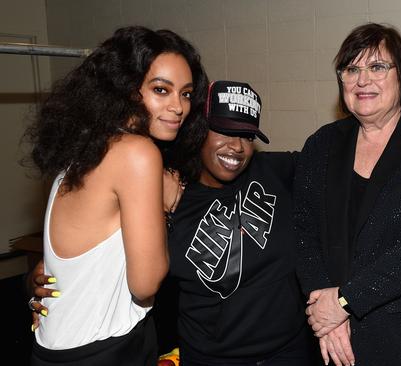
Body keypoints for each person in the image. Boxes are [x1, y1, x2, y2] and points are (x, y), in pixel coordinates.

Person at [30, 80, 318, 365]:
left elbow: (339, 154)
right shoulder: (165, 192)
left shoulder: (276, 171)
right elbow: (93, 255)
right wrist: (45, 279)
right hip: (211, 358)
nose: (237, 147)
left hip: (287, 351)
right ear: (198, 131)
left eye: (247, 136)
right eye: (224, 132)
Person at [23, 26, 208, 365]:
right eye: (161, 90)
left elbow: (74, 258)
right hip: (102, 350)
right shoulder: (138, 153)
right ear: (124, 89)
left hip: (55, 348)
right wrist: (165, 209)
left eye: (185, 93)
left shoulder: (84, 150)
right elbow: (146, 284)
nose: (178, 107)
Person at [294, 23, 401, 366]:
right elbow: (303, 232)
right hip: (335, 340)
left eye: (376, 67)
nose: (362, 80)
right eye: (351, 69)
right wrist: (325, 311)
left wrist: (345, 301)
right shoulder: (321, 144)